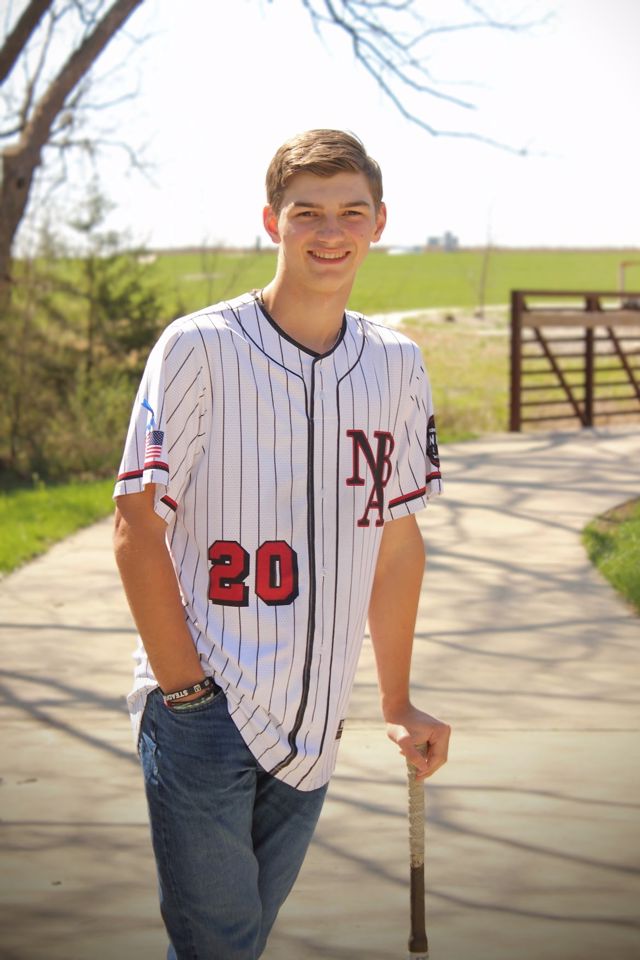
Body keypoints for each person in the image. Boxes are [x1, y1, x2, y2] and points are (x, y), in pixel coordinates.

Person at [113, 128, 450, 960]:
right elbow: (136, 528)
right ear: (273, 221)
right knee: (221, 945)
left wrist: (397, 701)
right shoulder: (198, 346)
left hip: (317, 720)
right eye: (308, 212)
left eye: (351, 212)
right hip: (205, 708)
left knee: (238, 942)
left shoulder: (398, 365)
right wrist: (186, 693)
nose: (330, 232)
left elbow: (395, 540)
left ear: (379, 223)